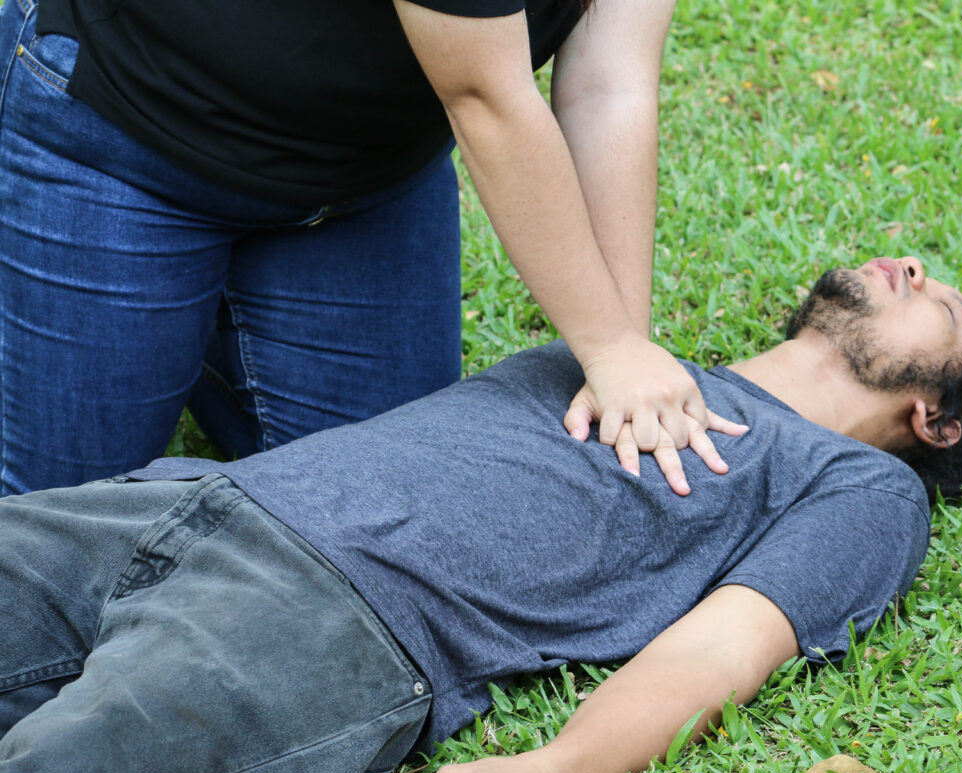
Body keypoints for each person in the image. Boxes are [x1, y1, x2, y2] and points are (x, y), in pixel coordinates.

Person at [0, 258, 962, 773]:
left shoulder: (861, 490)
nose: (911, 264)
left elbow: (725, 642)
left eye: (945, 304)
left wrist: (556, 768)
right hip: (175, 499)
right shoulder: (628, 348)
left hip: (335, 616)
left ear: (938, 417)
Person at [0, 0, 733, 496]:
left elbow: (610, 83)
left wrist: (625, 353)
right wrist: (604, 345)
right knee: (58, 521)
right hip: (130, 132)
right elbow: (485, 95)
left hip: (362, 181)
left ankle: (192, 318)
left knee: (383, 512)